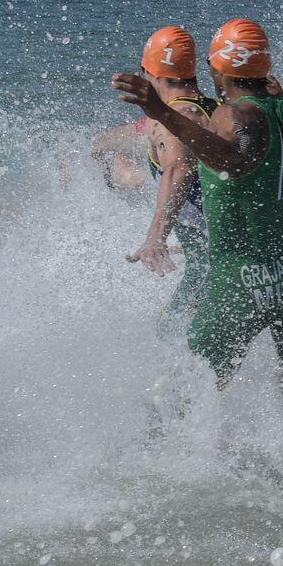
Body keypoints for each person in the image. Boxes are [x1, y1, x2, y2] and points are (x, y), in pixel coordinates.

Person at [113, 18, 283, 468]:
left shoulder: (229, 116)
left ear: (217, 69)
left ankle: (140, 477)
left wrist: (162, 113)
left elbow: (235, 162)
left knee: (183, 392)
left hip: (240, 283)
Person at [119, 26, 219, 337]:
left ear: (152, 74)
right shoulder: (216, 108)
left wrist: (155, 238)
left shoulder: (172, 120)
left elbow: (179, 169)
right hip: (228, 252)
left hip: (211, 271)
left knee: (167, 334)